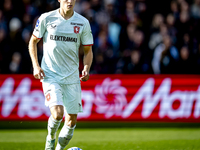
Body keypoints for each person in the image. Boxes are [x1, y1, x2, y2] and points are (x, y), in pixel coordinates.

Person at [28, 0, 93, 150]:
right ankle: (50, 138)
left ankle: (58, 149)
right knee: (57, 114)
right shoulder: (46, 18)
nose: (69, 1)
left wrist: (87, 68)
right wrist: (36, 66)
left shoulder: (83, 22)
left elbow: (88, 51)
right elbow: (32, 42)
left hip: (72, 77)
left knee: (71, 121)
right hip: (51, 74)